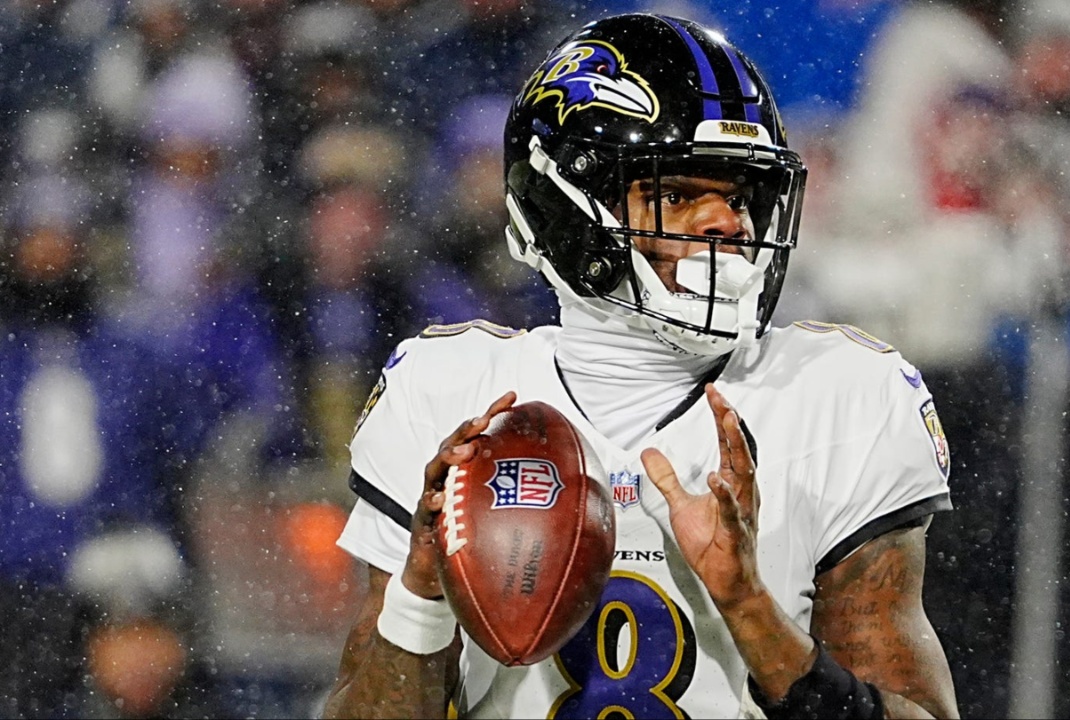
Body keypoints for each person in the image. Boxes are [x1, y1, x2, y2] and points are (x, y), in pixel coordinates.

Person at [324, 13, 959, 719]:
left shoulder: (838, 395)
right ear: (566, 208)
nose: (729, 223)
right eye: (680, 194)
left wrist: (752, 611)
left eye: (741, 193)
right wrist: (422, 593)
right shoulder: (449, 390)